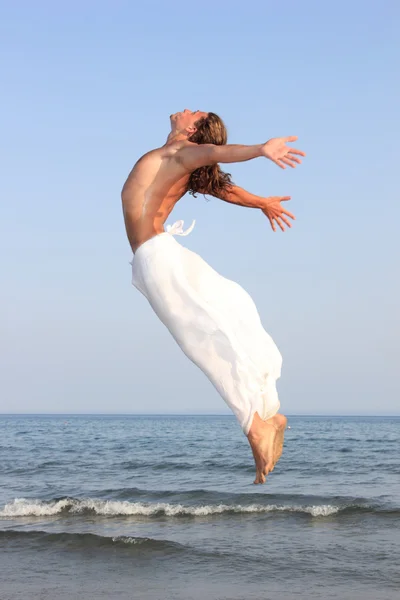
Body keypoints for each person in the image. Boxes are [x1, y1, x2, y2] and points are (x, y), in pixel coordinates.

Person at [121, 110, 306, 484]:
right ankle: (266, 412)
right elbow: (223, 187)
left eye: (196, 113)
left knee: (204, 341)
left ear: (191, 129)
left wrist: (260, 149)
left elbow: (216, 156)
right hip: (162, 254)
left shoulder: (181, 153)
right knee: (224, 320)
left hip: (159, 259)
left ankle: (255, 424)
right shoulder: (175, 162)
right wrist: (263, 203)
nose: (188, 109)